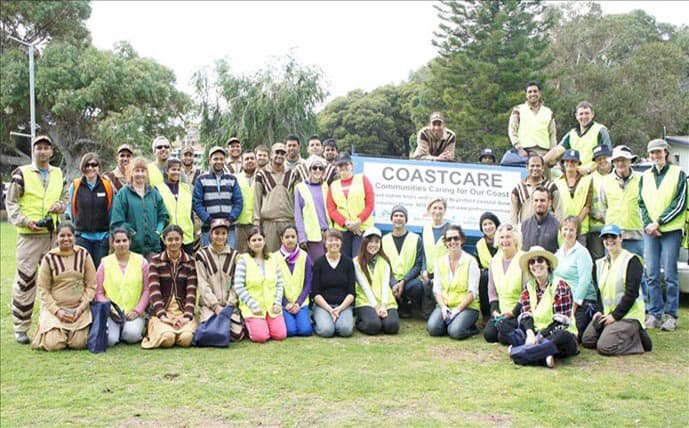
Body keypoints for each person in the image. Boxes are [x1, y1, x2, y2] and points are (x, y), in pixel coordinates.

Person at [6, 135, 68, 343]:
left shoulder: (58, 173)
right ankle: (21, 328)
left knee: (53, 281)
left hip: (52, 235)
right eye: (39, 148)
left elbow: (65, 197)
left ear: (51, 152)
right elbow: (11, 203)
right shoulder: (21, 173)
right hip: (29, 236)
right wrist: (24, 221)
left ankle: (50, 324)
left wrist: (60, 206)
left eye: (46, 148)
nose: (43, 151)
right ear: (33, 150)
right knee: (25, 281)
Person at [581, 224, 651, 355]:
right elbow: (600, 292)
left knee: (604, 347)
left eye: (613, 236)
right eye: (605, 237)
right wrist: (599, 311)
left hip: (629, 315)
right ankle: (613, 332)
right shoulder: (600, 263)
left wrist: (615, 316)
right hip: (608, 313)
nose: (609, 240)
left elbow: (632, 294)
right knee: (588, 340)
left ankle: (639, 340)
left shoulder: (632, 260)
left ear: (621, 238)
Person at [640, 139, 686, 331]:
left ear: (666, 153)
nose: (655, 156)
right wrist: (649, 225)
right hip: (651, 231)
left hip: (671, 231)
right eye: (652, 153)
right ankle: (654, 313)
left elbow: (680, 202)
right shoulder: (645, 176)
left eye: (658, 152)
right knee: (651, 273)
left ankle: (671, 315)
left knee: (669, 274)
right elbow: (641, 203)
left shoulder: (679, 174)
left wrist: (659, 222)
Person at [507, 246, 578, 368]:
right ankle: (543, 356)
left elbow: (561, 322)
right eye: (532, 262)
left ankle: (518, 353)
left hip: (558, 333)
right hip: (536, 333)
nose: (536, 264)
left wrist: (539, 337)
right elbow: (525, 315)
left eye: (540, 260)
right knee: (507, 328)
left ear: (548, 265)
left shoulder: (560, 285)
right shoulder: (528, 287)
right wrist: (530, 334)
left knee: (561, 337)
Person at [31, 222, 96, 351]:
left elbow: (91, 285)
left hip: (78, 310)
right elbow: (43, 289)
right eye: (62, 236)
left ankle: (70, 333)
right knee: (54, 344)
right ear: (56, 238)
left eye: (69, 235)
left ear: (74, 237)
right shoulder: (49, 258)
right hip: (56, 310)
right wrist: (57, 311)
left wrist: (81, 307)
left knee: (79, 344)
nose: (66, 239)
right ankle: (53, 331)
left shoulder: (84, 254)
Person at [142, 225, 198, 349]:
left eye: (177, 239)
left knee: (186, 339)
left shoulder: (190, 262)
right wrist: (163, 316)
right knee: (168, 338)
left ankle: (177, 330)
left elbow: (191, 292)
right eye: (170, 239)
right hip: (162, 312)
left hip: (182, 312)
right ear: (164, 240)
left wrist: (186, 316)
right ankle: (159, 330)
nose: (174, 243)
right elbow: (154, 291)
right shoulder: (156, 261)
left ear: (182, 240)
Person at [95, 227, 149, 346]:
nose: (121, 244)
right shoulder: (105, 263)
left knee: (132, 336)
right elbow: (98, 292)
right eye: (117, 241)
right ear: (112, 243)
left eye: (124, 240)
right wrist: (109, 309)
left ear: (130, 241)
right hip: (112, 314)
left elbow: (147, 290)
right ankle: (116, 331)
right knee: (109, 340)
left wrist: (137, 311)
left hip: (133, 313)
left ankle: (130, 328)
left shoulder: (142, 262)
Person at [233, 227, 287, 343]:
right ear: (248, 243)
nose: (257, 242)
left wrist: (277, 303)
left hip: (272, 307)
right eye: (254, 240)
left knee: (280, 335)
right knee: (261, 337)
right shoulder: (243, 260)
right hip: (253, 307)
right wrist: (253, 305)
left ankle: (266, 324)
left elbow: (279, 283)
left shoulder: (273, 258)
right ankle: (250, 325)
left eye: (259, 239)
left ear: (264, 240)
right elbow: (238, 286)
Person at [195, 218, 245, 343]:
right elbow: (202, 284)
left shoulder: (234, 255)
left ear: (227, 235)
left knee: (237, 335)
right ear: (210, 234)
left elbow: (237, 283)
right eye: (216, 233)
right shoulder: (202, 255)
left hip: (229, 305)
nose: (220, 237)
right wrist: (215, 305)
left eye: (223, 233)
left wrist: (229, 304)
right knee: (209, 333)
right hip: (209, 306)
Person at [427, 225, 480, 340]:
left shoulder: (471, 261)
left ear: (462, 240)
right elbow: (437, 289)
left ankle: (471, 327)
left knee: (455, 332)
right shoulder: (440, 262)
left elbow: (472, 292)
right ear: (445, 242)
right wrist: (443, 307)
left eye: (456, 238)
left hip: (467, 307)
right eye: (449, 239)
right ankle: (452, 323)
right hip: (446, 306)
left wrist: (457, 310)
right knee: (433, 329)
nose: (452, 242)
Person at [110, 157, 169, 260]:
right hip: (132, 250)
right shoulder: (123, 194)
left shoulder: (153, 193)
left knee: (152, 275)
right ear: (131, 173)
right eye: (137, 170)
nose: (140, 174)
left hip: (153, 249)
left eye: (143, 171)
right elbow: (117, 222)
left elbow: (163, 215)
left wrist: (158, 231)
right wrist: (132, 233)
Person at [66, 152, 113, 268]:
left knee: (99, 273)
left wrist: (110, 234)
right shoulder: (75, 186)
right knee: (82, 271)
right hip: (82, 238)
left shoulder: (107, 186)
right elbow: (70, 211)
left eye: (94, 165)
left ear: (99, 167)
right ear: (83, 167)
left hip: (102, 239)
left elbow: (111, 211)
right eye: (87, 165)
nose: (90, 168)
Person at [553, 216, 596, 341]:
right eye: (565, 229)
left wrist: (574, 305)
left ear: (577, 232)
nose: (568, 233)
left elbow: (585, 281)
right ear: (560, 231)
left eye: (572, 230)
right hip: (563, 301)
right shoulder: (558, 254)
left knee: (575, 333)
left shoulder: (582, 253)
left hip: (582, 302)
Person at [253, 142, 301, 252]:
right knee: (270, 256)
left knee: (290, 255)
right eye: (277, 152)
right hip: (269, 222)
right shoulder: (262, 174)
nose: (279, 155)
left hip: (288, 220)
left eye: (282, 153)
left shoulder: (293, 173)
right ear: (271, 155)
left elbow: (297, 199)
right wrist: (256, 222)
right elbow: (257, 199)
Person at [192, 146, 243, 249]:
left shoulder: (232, 179)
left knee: (229, 259)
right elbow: (196, 203)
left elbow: (239, 202)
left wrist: (230, 219)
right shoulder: (201, 179)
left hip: (228, 229)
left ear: (225, 160)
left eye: (221, 159)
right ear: (209, 160)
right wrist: (209, 220)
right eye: (215, 159)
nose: (219, 161)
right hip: (208, 229)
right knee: (208, 259)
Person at [327, 152, 375, 258]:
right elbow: (331, 209)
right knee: (344, 262)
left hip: (362, 228)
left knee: (359, 261)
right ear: (336, 168)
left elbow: (370, 204)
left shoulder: (363, 179)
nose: (343, 167)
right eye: (340, 165)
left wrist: (358, 221)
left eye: (346, 164)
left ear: (351, 165)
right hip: (342, 230)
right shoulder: (333, 186)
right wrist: (346, 223)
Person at [483, 224, 525, 344]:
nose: (505, 241)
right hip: (501, 312)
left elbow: (527, 292)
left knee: (502, 336)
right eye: (501, 237)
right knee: (489, 335)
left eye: (508, 237)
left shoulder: (523, 259)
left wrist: (513, 312)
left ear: (515, 239)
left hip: (518, 311)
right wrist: (495, 310)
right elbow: (492, 291)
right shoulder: (494, 261)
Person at [354, 227, 399, 335]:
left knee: (392, 327)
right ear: (365, 243)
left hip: (385, 301)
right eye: (370, 241)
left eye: (376, 242)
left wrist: (383, 306)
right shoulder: (356, 262)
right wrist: (375, 307)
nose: (373, 245)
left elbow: (385, 285)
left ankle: (379, 319)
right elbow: (364, 286)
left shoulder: (385, 261)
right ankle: (360, 321)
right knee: (373, 326)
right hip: (366, 301)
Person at [311, 228, 356, 338]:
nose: (334, 243)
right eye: (330, 240)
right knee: (326, 331)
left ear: (341, 242)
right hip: (323, 305)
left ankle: (339, 320)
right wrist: (330, 310)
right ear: (325, 243)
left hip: (343, 305)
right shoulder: (319, 263)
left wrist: (339, 309)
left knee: (346, 330)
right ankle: (318, 319)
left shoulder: (348, 263)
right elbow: (315, 293)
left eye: (337, 240)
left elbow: (351, 293)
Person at [545, 101, 612, 174]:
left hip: (595, 175)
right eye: (581, 114)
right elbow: (557, 151)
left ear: (592, 114)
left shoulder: (600, 130)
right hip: (576, 176)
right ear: (576, 116)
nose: (584, 117)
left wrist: (588, 170)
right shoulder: (572, 134)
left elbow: (606, 158)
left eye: (587, 113)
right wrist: (541, 160)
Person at [600, 146, 644, 257]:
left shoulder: (642, 179)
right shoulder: (605, 181)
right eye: (617, 160)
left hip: (636, 236)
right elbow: (603, 207)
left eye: (624, 160)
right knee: (613, 271)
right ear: (613, 162)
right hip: (613, 237)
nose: (620, 163)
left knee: (636, 271)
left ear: (630, 161)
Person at [381, 205, 424, 319]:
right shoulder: (384, 240)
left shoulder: (416, 239)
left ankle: (407, 304)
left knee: (417, 287)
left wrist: (404, 280)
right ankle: (396, 304)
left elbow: (418, 264)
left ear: (406, 219)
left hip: (409, 280)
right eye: (395, 215)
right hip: (390, 280)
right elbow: (383, 265)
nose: (398, 218)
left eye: (402, 216)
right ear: (391, 219)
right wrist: (393, 282)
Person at [275, 225, 313, 337]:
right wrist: (285, 303)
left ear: (297, 238)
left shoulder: (305, 256)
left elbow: (308, 282)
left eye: (293, 236)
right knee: (290, 331)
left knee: (305, 331)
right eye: (287, 237)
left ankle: (307, 318)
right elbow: (273, 284)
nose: (290, 239)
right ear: (282, 239)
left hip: (300, 302)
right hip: (284, 303)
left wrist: (299, 303)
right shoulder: (275, 257)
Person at [294, 155, 331, 261]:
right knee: (317, 266)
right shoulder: (300, 188)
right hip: (312, 236)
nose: (317, 170)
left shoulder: (325, 186)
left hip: (327, 233)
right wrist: (301, 237)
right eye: (314, 168)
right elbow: (298, 214)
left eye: (320, 168)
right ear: (309, 170)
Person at [156, 158, 194, 255]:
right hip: (167, 236)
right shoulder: (159, 189)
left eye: (178, 170)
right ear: (167, 171)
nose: (176, 172)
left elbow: (190, 213)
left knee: (186, 267)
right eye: (173, 169)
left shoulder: (186, 188)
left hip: (186, 236)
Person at [508, 81, 557, 157]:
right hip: (525, 153)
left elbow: (552, 134)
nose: (532, 94)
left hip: (544, 153)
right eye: (530, 92)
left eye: (535, 91)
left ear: (539, 93)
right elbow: (512, 131)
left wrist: (553, 153)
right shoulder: (518, 110)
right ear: (526, 95)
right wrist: (519, 148)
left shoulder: (548, 112)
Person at [553, 149, 592, 244]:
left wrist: (575, 224)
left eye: (573, 161)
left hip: (581, 229)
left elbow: (588, 205)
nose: (570, 163)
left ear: (578, 163)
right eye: (568, 161)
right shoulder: (556, 182)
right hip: (562, 229)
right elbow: (554, 206)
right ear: (563, 163)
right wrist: (564, 224)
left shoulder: (587, 180)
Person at [510, 154, 560, 226]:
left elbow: (558, 209)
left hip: (547, 230)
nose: (535, 168)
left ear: (543, 168)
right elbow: (513, 214)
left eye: (538, 166)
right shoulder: (519, 188)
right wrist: (514, 230)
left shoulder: (551, 187)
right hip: (525, 230)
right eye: (532, 166)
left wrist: (557, 229)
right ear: (527, 168)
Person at [420, 198, 450, 319]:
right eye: (434, 208)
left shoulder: (450, 228)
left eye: (440, 208)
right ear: (429, 210)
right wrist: (423, 270)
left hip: (445, 272)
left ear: (444, 211)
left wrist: (440, 275)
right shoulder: (425, 228)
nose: (437, 211)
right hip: (429, 272)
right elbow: (424, 253)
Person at [587, 144, 613, 260]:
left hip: (614, 226)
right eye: (599, 159)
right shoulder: (590, 178)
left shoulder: (616, 175)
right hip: (596, 227)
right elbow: (588, 201)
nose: (602, 161)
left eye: (604, 157)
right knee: (598, 260)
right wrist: (599, 216)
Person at [475, 212, 500, 323]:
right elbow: (478, 264)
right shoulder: (479, 244)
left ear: (496, 225)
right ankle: (486, 315)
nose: (488, 227)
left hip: (503, 272)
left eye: (490, 223)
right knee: (483, 278)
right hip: (487, 275)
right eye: (485, 224)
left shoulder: (504, 240)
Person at [521, 186, 560, 253]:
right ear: (532, 202)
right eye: (536, 200)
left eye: (542, 200)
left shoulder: (557, 227)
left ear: (549, 203)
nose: (539, 204)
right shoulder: (524, 226)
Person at [235, 151, 258, 252]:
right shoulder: (235, 178)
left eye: (252, 158)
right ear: (242, 162)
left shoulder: (261, 177)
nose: (250, 161)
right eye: (247, 159)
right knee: (240, 254)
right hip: (240, 223)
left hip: (256, 223)